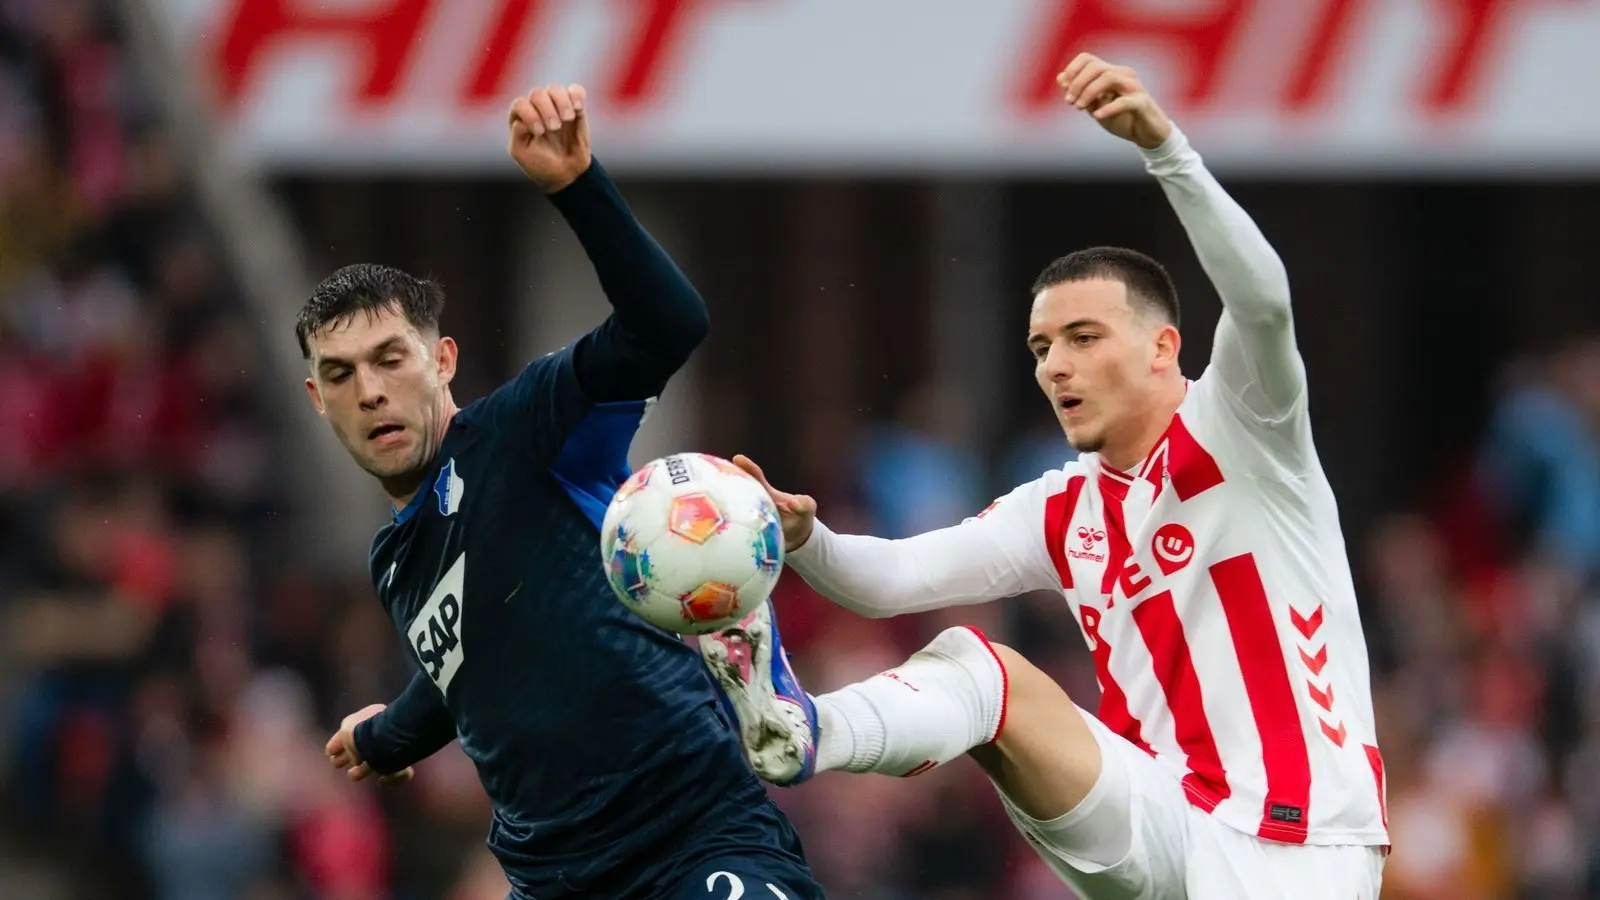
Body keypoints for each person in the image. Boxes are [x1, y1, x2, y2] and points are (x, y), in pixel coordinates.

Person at [705, 56, 1388, 899]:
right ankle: (804, 729)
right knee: (978, 670)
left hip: (1301, 844)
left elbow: (1265, 303)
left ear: (1163, 347)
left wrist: (1166, 149)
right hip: (1161, 817)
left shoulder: (1247, 428)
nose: (1054, 366)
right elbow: (888, 582)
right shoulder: (1061, 507)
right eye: (1041, 347)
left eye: (1084, 338)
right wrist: (807, 539)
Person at [307, 83, 822, 900]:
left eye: (390, 359)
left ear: (441, 360)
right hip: (553, 883)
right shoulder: (394, 559)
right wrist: (385, 739)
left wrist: (579, 187)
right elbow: (466, 672)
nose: (369, 391)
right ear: (317, 399)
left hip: (691, 843)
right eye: (341, 375)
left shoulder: (522, 429)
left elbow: (669, 324)